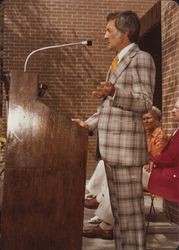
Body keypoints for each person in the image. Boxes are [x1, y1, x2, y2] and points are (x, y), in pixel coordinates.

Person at [73, 10, 156, 249]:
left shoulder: (141, 59)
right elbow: (108, 108)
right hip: (112, 152)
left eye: (109, 30)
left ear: (126, 33)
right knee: (120, 219)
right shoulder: (118, 62)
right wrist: (86, 124)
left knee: (130, 219)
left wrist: (114, 92)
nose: (105, 35)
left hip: (125, 154)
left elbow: (144, 101)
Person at [82, 106, 168, 240]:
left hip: (153, 174)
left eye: (148, 118)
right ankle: (96, 199)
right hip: (143, 170)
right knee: (107, 164)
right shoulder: (145, 135)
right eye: (143, 118)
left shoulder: (160, 136)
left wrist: (142, 158)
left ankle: (102, 213)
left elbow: (155, 159)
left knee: (121, 175)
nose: (145, 121)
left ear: (158, 120)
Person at [146, 99, 179, 204]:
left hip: (170, 178)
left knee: (119, 174)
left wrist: (151, 159)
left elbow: (171, 158)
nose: (173, 111)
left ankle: (104, 211)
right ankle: (102, 209)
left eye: (177, 109)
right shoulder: (177, 130)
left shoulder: (162, 135)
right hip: (163, 172)